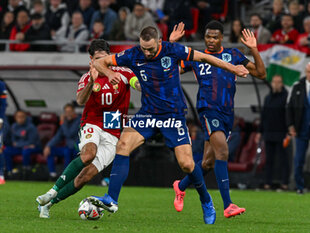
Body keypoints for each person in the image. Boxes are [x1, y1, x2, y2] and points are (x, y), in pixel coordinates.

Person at [87, 26, 249, 224]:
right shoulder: (133, 54)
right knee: (123, 145)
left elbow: (206, 58)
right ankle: (111, 198)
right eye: (144, 48)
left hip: (173, 115)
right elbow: (99, 61)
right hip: (148, 113)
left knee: (187, 164)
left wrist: (233, 68)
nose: (147, 53)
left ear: (160, 42)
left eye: (151, 49)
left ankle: (206, 200)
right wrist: (109, 73)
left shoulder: (173, 50)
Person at [36, 39, 141, 218]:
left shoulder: (123, 72)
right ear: (91, 60)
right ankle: (52, 192)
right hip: (92, 122)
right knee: (88, 154)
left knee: (85, 177)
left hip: (113, 129)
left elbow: (136, 84)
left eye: (105, 58)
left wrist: (145, 86)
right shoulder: (87, 77)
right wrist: (92, 83)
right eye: (97, 59)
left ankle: (48, 204)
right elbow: (80, 100)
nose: (101, 62)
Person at [171, 21, 266, 218]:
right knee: (222, 150)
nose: (211, 40)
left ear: (222, 37)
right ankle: (228, 204)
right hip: (208, 111)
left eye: (215, 37)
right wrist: (170, 45)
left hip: (227, 114)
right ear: (204, 38)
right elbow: (167, 69)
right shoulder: (197, 58)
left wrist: (254, 49)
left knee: (207, 162)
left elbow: (261, 73)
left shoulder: (233, 55)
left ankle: (180, 186)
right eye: (208, 37)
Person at [256, 75, 289, 190]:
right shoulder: (268, 98)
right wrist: (260, 132)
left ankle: (284, 183)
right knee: (268, 160)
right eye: (274, 82)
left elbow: (288, 116)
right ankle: (267, 183)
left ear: (282, 83)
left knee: (283, 159)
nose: (276, 84)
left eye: (278, 82)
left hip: (282, 133)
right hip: (268, 133)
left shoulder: (286, 97)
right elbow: (263, 115)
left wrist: (288, 132)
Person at [287, 63, 310, 194]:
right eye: (308, 72)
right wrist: (291, 125)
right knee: (299, 159)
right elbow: (289, 108)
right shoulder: (297, 87)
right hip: (301, 128)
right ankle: (300, 186)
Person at [43, 103, 80, 179]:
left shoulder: (79, 120)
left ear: (74, 112)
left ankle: (66, 176)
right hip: (68, 147)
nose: (68, 114)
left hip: (76, 148)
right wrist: (48, 146)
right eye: (66, 112)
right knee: (50, 151)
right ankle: (52, 174)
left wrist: (62, 122)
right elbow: (58, 136)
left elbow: (69, 133)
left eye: (70, 112)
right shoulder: (65, 123)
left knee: (67, 152)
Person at [4, 110, 41, 178]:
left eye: (22, 117)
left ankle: (25, 170)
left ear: (25, 117)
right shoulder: (14, 126)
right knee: (7, 150)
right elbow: (13, 141)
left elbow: (31, 142)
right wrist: (19, 144)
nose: (20, 119)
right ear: (15, 118)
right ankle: (10, 171)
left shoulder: (31, 127)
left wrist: (18, 144)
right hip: (20, 147)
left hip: (35, 147)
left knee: (26, 150)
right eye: (18, 117)